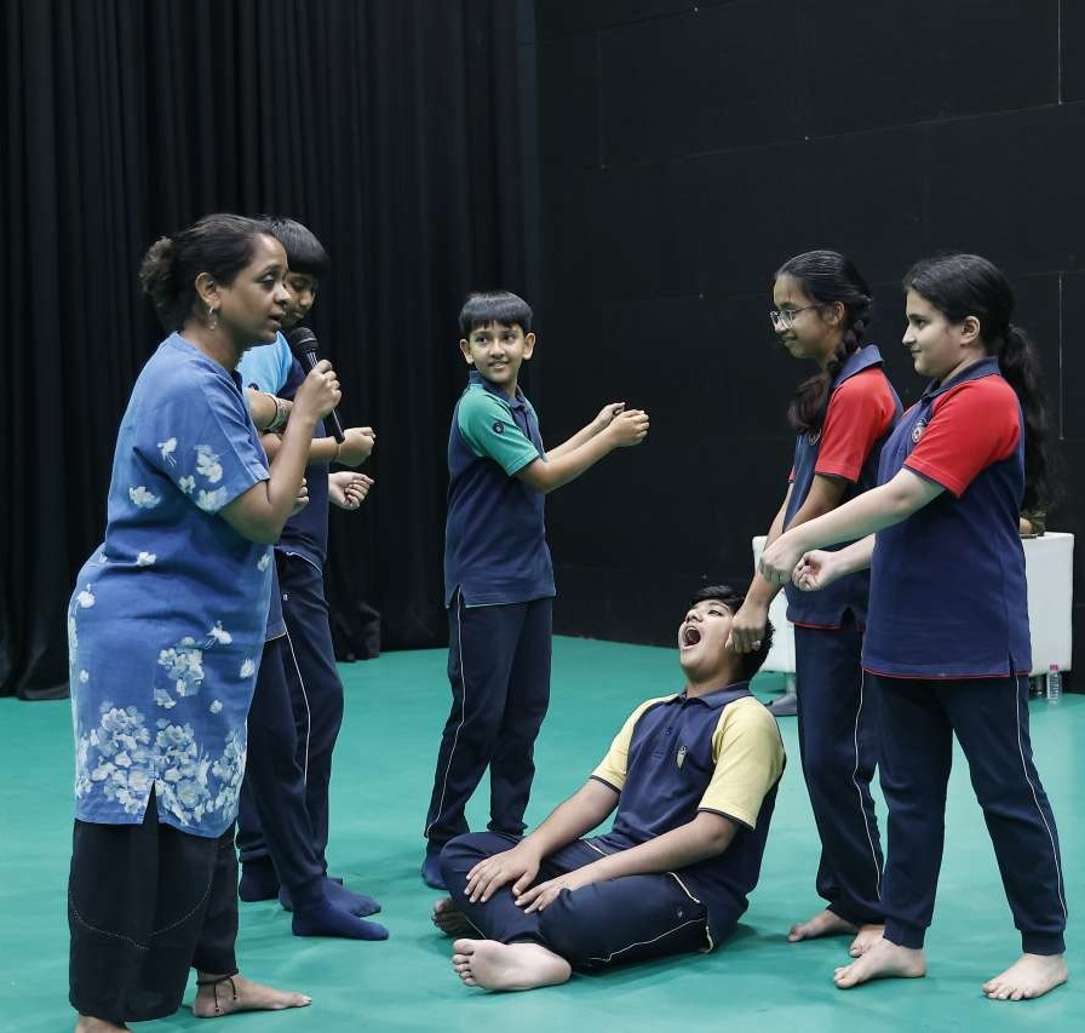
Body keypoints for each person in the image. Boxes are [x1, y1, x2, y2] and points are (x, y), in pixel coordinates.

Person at [759, 253, 1068, 1001]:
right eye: (907, 320)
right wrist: (840, 560)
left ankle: (1045, 946)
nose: (906, 337)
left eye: (921, 322)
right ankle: (902, 937)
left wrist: (799, 537)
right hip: (899, 644)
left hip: (972, 642)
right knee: (909, 795)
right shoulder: (928, 404)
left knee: (1007, 793)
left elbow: (902, 496)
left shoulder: (984, 400)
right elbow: (910, 518)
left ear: (969, 329)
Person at [65, 213, 339, 1030]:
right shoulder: (186, 382)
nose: (285, 297)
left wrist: (286, 435)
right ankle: (101, 1014)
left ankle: (217, 976)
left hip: (204, 637)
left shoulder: (211, 377)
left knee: (207, 801)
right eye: (267, 280)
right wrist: (303, 416)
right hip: (148, 638)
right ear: (210, 291)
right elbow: (262, 514)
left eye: (288, 281)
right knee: (130, 818)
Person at [431, 585, 785, 992]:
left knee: (572, 913)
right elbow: (591, 799)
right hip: (612, 854)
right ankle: (529, 947)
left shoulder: (747, 719)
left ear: (744, 637)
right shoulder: (652, 711)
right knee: (466, 854)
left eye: (715, 613)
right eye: (693, 611)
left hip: (689, 885)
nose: (693, 617)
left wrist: (586, 876)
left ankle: (502, 920)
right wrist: (529, 849)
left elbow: (711, 835)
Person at [420, 291, 650, 888]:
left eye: (508, 337)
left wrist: (595, 427)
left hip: (530, 581)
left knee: (524, 713)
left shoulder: (518, 404)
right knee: (478, 716)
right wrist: (611, 440)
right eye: (484, 339)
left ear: (528, 344)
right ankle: (442, 836)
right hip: (484, 587)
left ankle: (506, 832)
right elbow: (543, 476)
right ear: (466, 350)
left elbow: (538, 460)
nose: (496, 349)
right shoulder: (478, 407)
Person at [728, 250, 899, 956]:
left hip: (852, 603)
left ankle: (876, 908)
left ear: (834, 311)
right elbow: (795, 498)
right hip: (821, 604)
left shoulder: (861, 392)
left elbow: (822, 506)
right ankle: (849, 896)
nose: (780, 325)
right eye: (775, 311)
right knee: (825, 756)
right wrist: (761, 589)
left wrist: (755, 602)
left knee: (838, 759)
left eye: (791, 310)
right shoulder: (832, 388)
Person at [233, 218, 384, 936]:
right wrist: (331, 444)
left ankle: (268, 861)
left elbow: (270, 445)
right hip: (282, 555)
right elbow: (249, 425)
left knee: (284, 712)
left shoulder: (282, 344)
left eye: (305, 287)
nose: (294, 299)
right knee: (312, 705)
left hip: (296, 549)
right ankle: (303, 873)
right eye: (281, 282)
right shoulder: (262, 347)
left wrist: (324, 479)